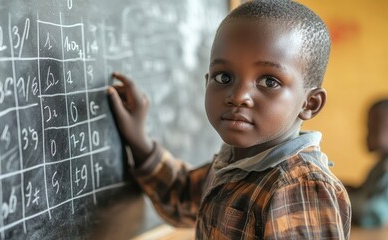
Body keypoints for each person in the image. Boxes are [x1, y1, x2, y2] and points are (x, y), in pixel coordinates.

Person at [107, 0, 351, 239]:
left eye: (269, 81)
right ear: (206, 82)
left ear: (310, 104)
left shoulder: (297, 188)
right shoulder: (237, 162)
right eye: (224, 77)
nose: (238, 96)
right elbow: (181, 198)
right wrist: (139, 140)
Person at [347, 99, 388, 228]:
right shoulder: (380, 166)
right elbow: (366, 193)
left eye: (373, 129)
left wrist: (340, 199)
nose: (366, 136)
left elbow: (375, 213)